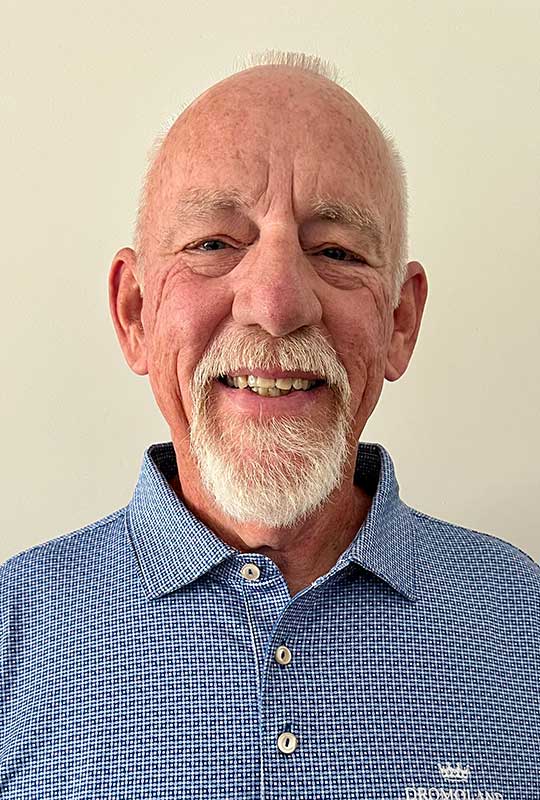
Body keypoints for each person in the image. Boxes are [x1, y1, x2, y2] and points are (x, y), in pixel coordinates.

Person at [1, 51, 538, 800]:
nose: (278, 304)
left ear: (400, 322)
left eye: (336, 252)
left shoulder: (522, 623)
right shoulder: (12, 631)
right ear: (135, 313)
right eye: (214, 243)